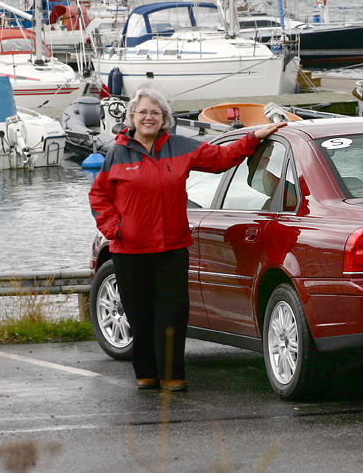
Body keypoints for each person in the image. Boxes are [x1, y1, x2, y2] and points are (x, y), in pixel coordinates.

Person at [88, 85, 286, 391]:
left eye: (155, 112)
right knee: (139, 317)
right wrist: (115, 229)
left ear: (165, 117)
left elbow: (220, 158)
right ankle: (146, 374)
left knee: (172, 315)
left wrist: (253, 137)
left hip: (172, 249)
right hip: (129, 251)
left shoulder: (180, 146)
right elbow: (99, 197)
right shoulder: (116, 152)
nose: (149, 117)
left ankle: (172, 375)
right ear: (132, 116)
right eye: (143, 112)